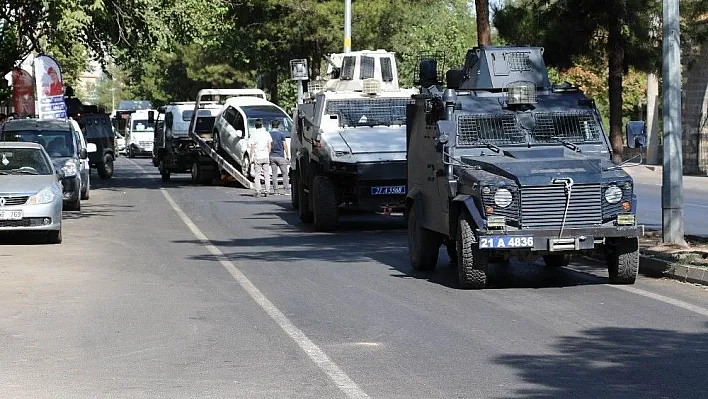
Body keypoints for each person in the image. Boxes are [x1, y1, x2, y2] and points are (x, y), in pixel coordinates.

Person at [249, 118, 273, 197]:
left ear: (255, 126)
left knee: (257, 175)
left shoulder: (253, 134)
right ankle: (267, 191)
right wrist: (268, 153)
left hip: (257, 156)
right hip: (265, 156)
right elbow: (269, 145)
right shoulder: (266, 133)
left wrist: (250, 157)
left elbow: (252, 147)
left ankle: (258, 191)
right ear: (262, 125)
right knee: (266, 174)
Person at [269, 120, 290, 195]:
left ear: (271, 125)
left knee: (274, 174)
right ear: (278, 126)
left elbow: (268, 145)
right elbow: (285, 145)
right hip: (280, 156)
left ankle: (276, 191)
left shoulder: (269, 134)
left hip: (272, 156)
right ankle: (286, 191)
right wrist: (287, 155)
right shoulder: (281, 134)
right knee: (284, 173)